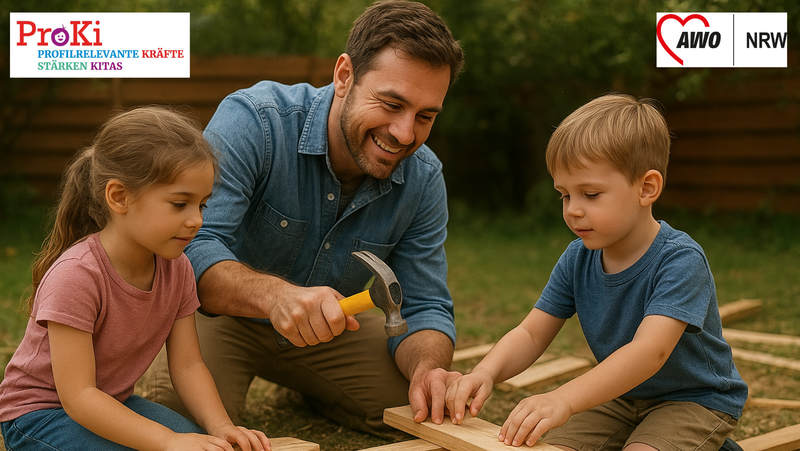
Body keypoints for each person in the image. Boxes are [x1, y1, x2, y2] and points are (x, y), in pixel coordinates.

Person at [140, 0, 465, 438]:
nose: (405, 133)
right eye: (391, 104)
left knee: (417, 411)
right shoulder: (255, 121)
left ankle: (309, 389)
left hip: (331, 329)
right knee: (185, 427)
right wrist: (275, 297)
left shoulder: (423, 179)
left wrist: (427, 368)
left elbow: (425, 305)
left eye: (425, 116)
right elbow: (192, 248)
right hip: (218, 317)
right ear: (345, 76)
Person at [443, 94, 748, 450]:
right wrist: (485, 372)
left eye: (590, 194)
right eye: (564, 195)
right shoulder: (577, 259)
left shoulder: (680, 260)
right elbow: (531, 333)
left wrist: (563, 399)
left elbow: (649, 351)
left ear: (646, 188)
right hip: (621, 397)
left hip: (694, 400)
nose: (573, 210)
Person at [0, 106, 271, 451]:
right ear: (119, 197)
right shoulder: (76, 276)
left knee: (204, 445)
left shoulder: (178, 269)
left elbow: (188, 365)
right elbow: (79, 396)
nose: (197, 220)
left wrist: (221, 426)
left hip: (113, 401)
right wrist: (167, 440)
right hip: (40, 415)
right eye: (180, 204)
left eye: (202, 205)